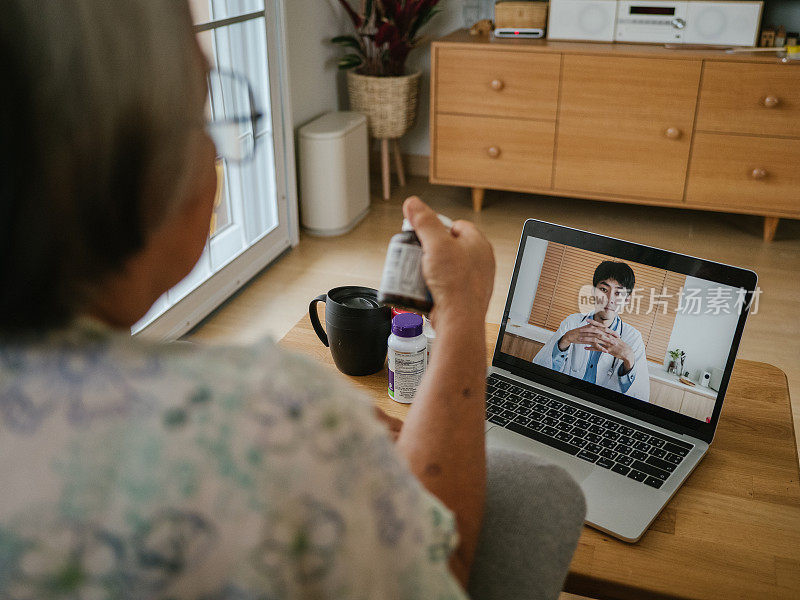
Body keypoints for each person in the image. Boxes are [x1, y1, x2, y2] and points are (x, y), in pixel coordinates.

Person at [0, 2, 584, 598]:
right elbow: (436, 571)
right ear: (130, 172)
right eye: (201, 114)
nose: (215, 149)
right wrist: (462, 311)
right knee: (538, 493)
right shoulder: (267, 418)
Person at [533, 261, 650, 402]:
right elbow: (539, 370)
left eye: (618, 293)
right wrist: (565, 340)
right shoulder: (572, 323)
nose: (610, 299)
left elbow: (641, 398)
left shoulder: (633, 338)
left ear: (627, 300)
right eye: (604, 290)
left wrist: (629, 358)